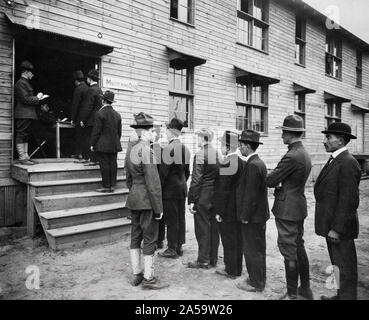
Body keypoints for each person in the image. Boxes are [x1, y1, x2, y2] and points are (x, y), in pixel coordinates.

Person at [266, 115, 313, 300]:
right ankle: (305, 289)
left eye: (283, 132)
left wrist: (276, 181)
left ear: (290, 133)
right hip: (298, 205)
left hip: (287, 209)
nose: (281, 136)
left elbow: (271, 180)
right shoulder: (303, 153)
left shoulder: (292, 155)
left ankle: (292, 294)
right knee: (298, 246)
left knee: (288, 249)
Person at [315, 123, 361, 300]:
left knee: (346, 267)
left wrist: (337, 228)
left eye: (328, 137)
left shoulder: (348, 162)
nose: (324, 141)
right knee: (337, 264)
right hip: (332, 225)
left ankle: (347, 297)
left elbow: (349, 201)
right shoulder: (335, 159)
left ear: (340, 140)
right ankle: (341, 296)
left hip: (340, 228)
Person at [125, 112, 167, 290]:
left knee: (135, 237)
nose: (155, 134)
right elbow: (153, 184)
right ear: (146, 133)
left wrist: (134, 192)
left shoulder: (131, 150)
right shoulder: (147, 151)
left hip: (134, 199)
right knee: (150, 238)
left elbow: (128, 178)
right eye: (152, 131)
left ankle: (137, 274)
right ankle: (149, 278)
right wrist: (159, 208)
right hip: (148, 201)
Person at [236, 130, 270, 292]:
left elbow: (250, 195)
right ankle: (259, 278)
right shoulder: (258, 163)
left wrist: (245, 216)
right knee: (258, 248)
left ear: (248, 146)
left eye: (241, 145)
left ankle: (256, 282)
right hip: (259, 216)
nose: (239, 147)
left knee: (252, 250)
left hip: (252, 217)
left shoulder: (252, 165)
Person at [187, 128, 220, 269]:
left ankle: (203, 260)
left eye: (198, 137)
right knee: (214, 227)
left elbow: (196, 179)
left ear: (203, 138)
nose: (197, 140)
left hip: (203, 197)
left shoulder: (200, 154)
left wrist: (191, 199)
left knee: (202, 229)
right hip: (215, 195)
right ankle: (213, 259)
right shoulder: (217, 153)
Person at [212, 130, 243, 279]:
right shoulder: (241, 162)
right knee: (237, 239)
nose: (220, 147)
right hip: (238, 208)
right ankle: (237, 268)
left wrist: (219, 211)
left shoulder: (226, 163)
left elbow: (223, 191)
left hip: (227, 210)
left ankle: (230, 270)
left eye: (222, 144)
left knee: (228, 239)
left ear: (228, 147)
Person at [158, 118, 191, 259]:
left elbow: (163, 174)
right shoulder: (185, 148)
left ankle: (171, 248)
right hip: (181, 189)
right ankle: (179, 246)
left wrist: (159, 189)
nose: (165, 132)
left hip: (170, 191)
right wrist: (181, 182)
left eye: (167, 130)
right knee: (180, 218)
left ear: (171, 132)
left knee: (171, 219)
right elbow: (187, 172)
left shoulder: (168, 149)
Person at [14, 61, 46, 165]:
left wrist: (38, 98)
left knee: (26, 135)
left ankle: (26, 156)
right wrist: (37, 97)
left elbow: (27, 98)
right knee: (21, 134)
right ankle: (22, 157)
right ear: (26, 72)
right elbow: (25, 99)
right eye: (31, 73)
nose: (32, 75)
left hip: (28, 114)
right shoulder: (20, 83)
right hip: (23, 113)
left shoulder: (25, 83)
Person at [90, 90, 122, 193]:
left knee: (104, 165)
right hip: (114, 144)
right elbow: (119, 132)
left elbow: (96, 131)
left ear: (103, 100)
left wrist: (92, 143)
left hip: (102, 144)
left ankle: (106, 186)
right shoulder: (117, 115)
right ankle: (113, 185)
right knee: (113, 164)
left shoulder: (99, 113)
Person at [79, 69, 102, 166]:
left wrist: (82, 120)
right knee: (95, 139)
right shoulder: (99, 89)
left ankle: (90, 159)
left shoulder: (91, 90)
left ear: (89, 79)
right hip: (97, 119)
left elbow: (87, 107)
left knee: (88, 139)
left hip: (90, 120)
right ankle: (94, 159)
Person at [71, 70, 89, 161]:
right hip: (87, 118)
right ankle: (84, 154)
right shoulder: (88, 88)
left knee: (78, 136)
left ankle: (79, 154)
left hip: (79, 117)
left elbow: (75, 105)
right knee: (85, 136)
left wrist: (72, 118)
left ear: (76, 81)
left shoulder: (78, 89)